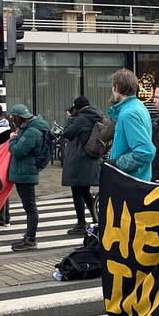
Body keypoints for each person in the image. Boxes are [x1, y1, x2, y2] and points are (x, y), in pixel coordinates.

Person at [7, 104, 50, 251]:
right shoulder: (29, 129)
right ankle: (29, 237)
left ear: (18, 118)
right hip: (24, 172)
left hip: (26, 173)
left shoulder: (31, 132)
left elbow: (18, 151)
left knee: (30, 207)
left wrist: (12, 140)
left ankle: (30, 239)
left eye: (13, 119)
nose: (12, 122)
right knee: (29, 207)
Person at [61, 96, 103, 235]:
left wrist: (71, 118)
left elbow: (67, 133)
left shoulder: (80, 118)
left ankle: (81, 223)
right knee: (84, 191)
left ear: (77, 107)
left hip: (80, 160)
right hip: (90, 159)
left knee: (77, 192)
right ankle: (97, 218)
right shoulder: (95, 116)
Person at [106, 69, 155, 181]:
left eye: (113, 87)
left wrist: (116, 163)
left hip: (129, 182)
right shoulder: (138, 106)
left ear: (117, 87)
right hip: (136, 178)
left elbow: (146, 152)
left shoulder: (128, 114)